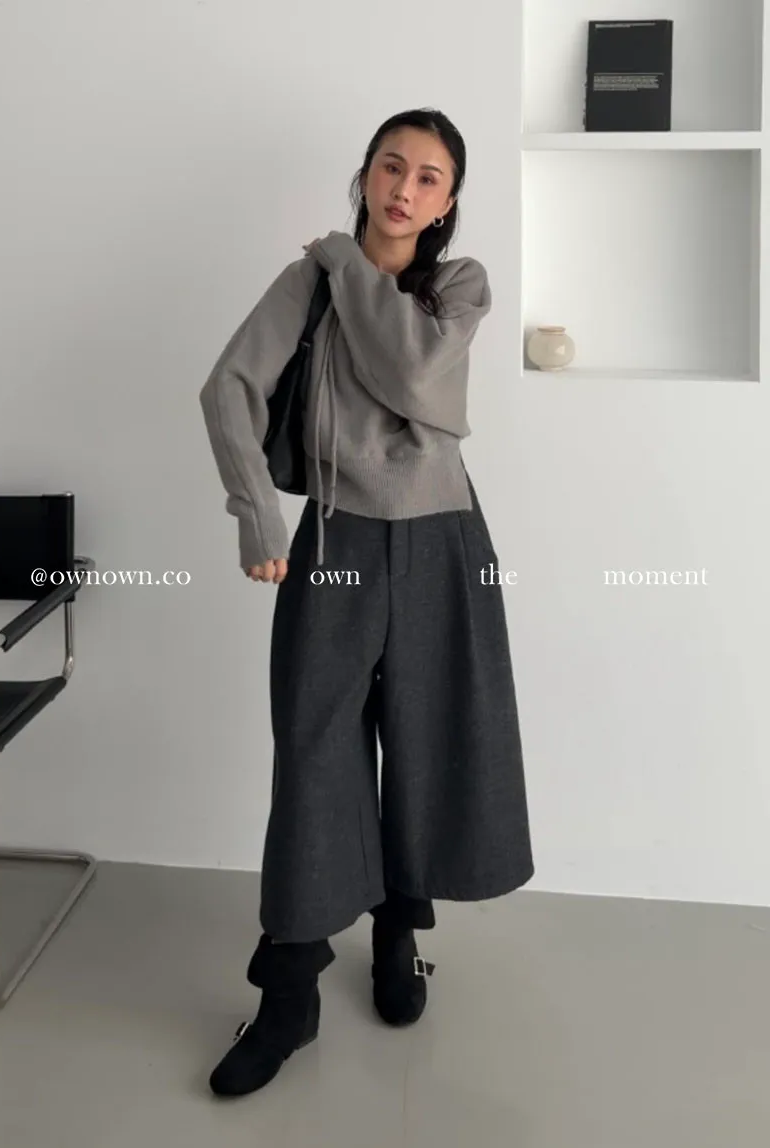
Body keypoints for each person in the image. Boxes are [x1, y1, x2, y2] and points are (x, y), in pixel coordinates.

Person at [198, 107, 534, 1098]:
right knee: (314, 753)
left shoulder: (456, 286)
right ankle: (289, 994)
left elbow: (413, 370)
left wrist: (347, 262)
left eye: (429, 178)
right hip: (335, 538)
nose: (404, 188)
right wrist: (257, 517)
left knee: (428, 738)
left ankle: (397, 936)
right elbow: (227, 388)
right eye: (392, 166)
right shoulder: (303, 282)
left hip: (444, 540)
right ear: (366, 173)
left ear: (446, 203)